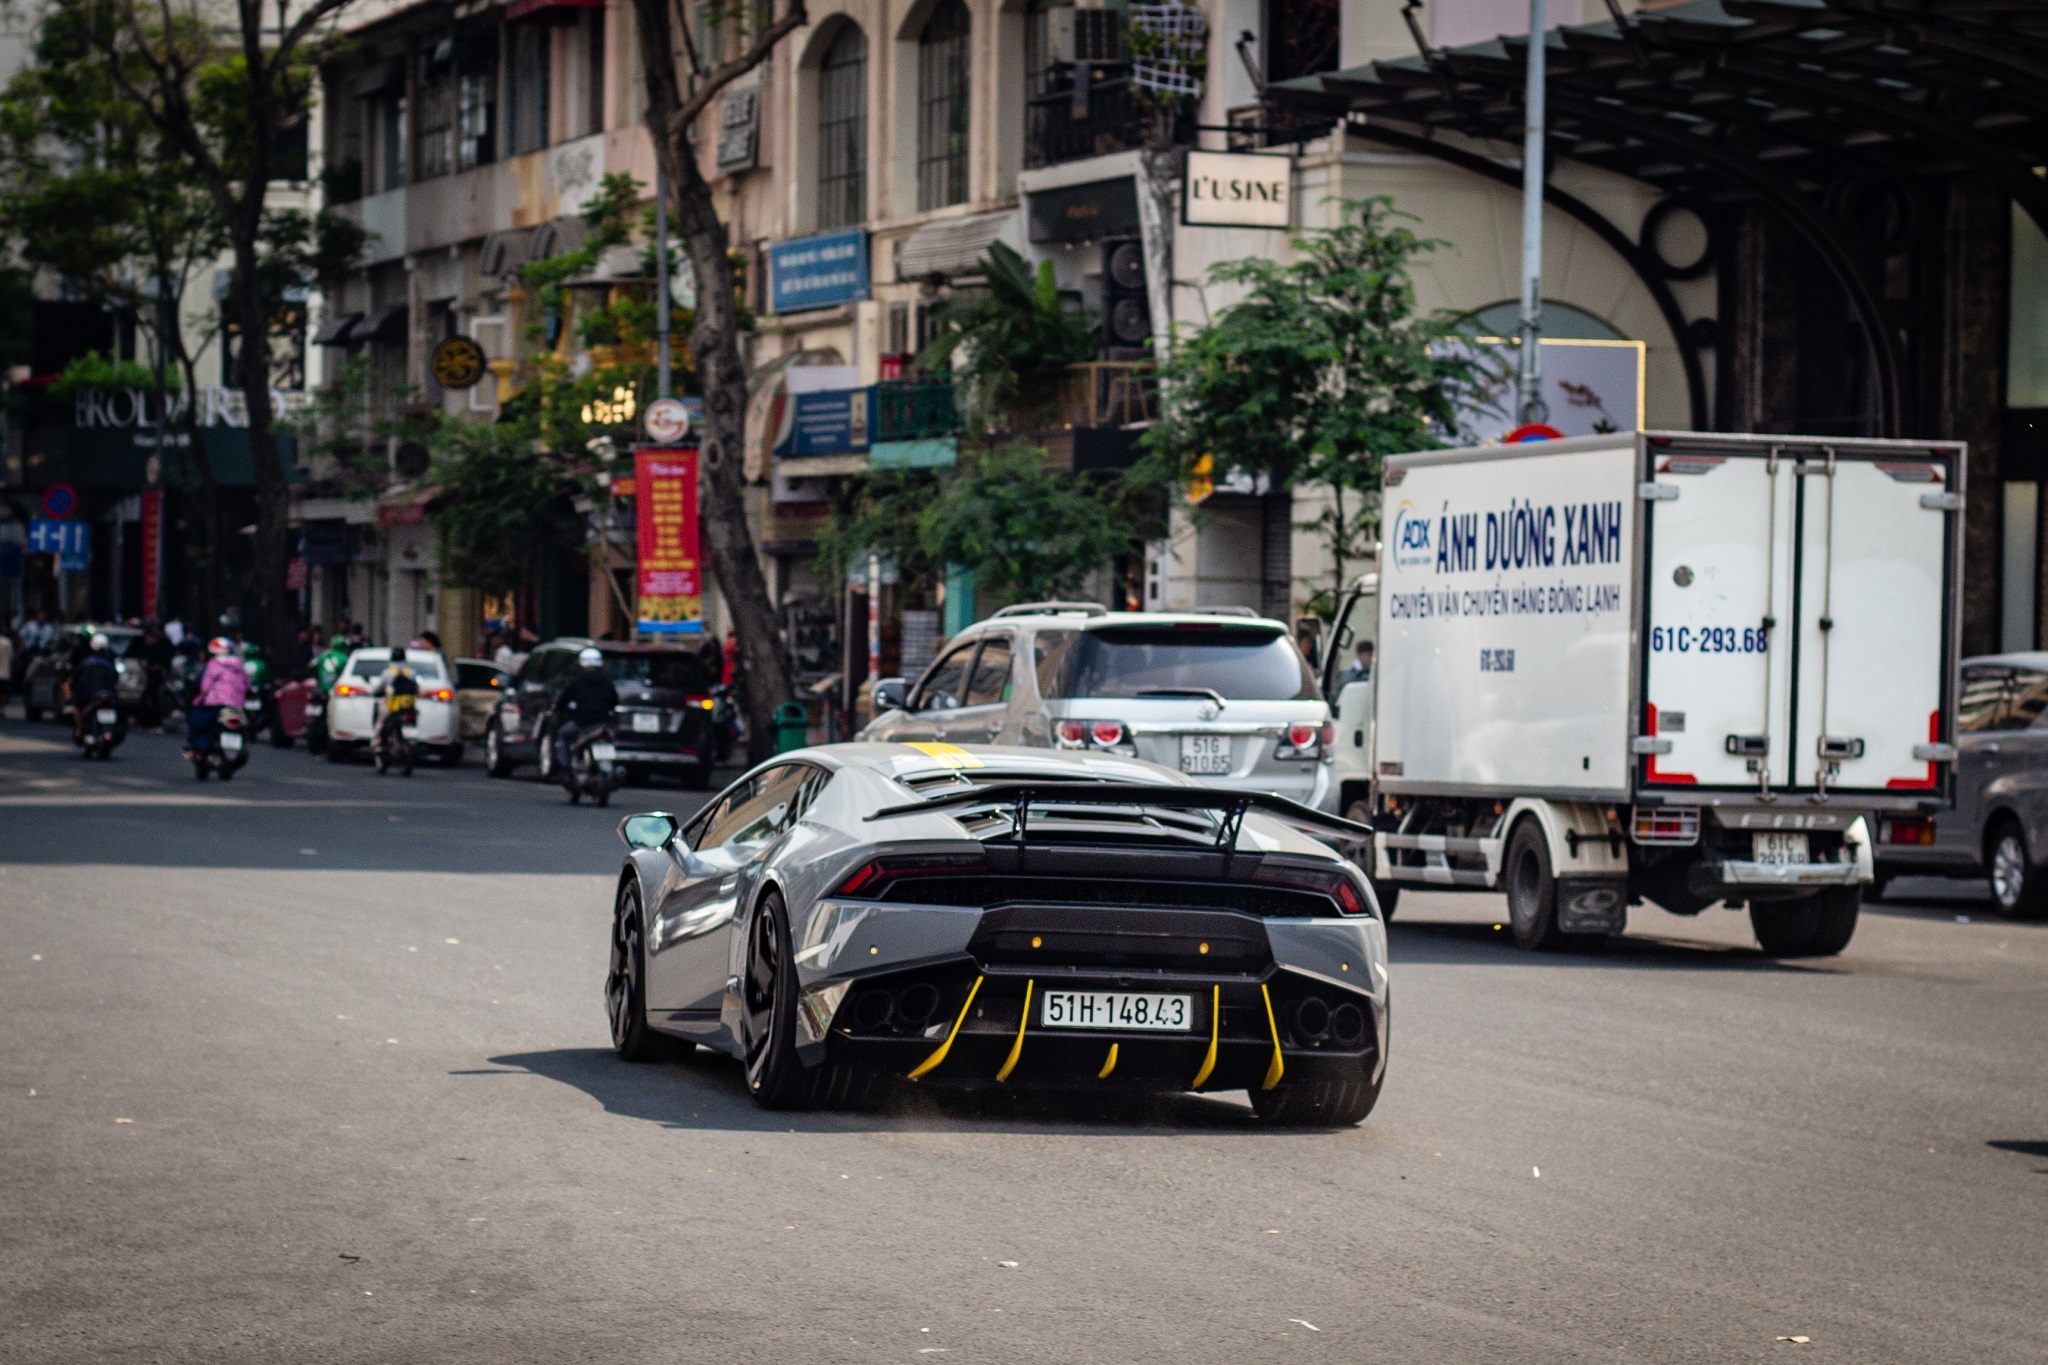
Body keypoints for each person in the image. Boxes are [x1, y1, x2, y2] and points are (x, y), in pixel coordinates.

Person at [551, 646, 618, 775]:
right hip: (602, 722)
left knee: (563, 734)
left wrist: (558, 708)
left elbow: (564, 699)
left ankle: (566, 766)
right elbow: (614, 700)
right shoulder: (607, 681)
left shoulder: (577, 681)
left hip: (582, 722)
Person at [183, 637, 248, 759]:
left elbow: (205, 686)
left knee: (198, 719)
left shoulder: (214, 664)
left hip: (216, 702)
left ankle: (198, 747)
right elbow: (247, 683)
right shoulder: (239, 664)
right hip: (237, 703)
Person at [370, 648, 422, 755]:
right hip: (408, 706)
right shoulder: (411, 672)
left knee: (381, 722)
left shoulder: (388, 672)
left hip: (392, 706)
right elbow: (416, 688)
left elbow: (378, 688)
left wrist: (374, 692)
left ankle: (379, 743)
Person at [71, 633, 118, 742]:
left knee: (77, 707)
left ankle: (79, 730)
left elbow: (76, 677)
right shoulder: (109, 661)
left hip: (92, 695)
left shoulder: (87, 661)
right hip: (105, 695)